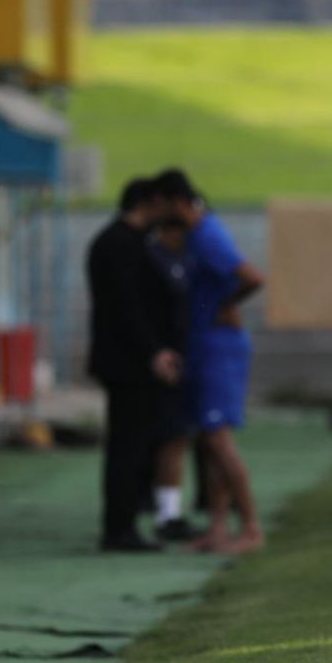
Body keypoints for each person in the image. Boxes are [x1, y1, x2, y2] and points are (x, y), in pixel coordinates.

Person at [154, 168, 266, 555]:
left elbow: (252, 277)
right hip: (206, 344)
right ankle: (219, 528)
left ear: (173, 202)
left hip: (220, 347)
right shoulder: (201, 233)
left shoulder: (207, 234)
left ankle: (251, 527)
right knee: (210, 438)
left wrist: (223, 307)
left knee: (218, 439)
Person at [86, 178, 180, 552]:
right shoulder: (120, 244)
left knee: (132, 443)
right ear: (149, 202)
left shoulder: (123, 241)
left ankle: (124, 522)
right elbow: (126, 308)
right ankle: (119, 528)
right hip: (127, 363)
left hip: (127, 359)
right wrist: (152, 351)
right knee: (127, 446)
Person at [145, 217, 202, 541]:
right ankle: (166, 513)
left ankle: (168, 510)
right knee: (171, 437)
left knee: (176, 437)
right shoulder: (157, 260)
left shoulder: (176, 260)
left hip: (175, 357)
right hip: (165, 360)